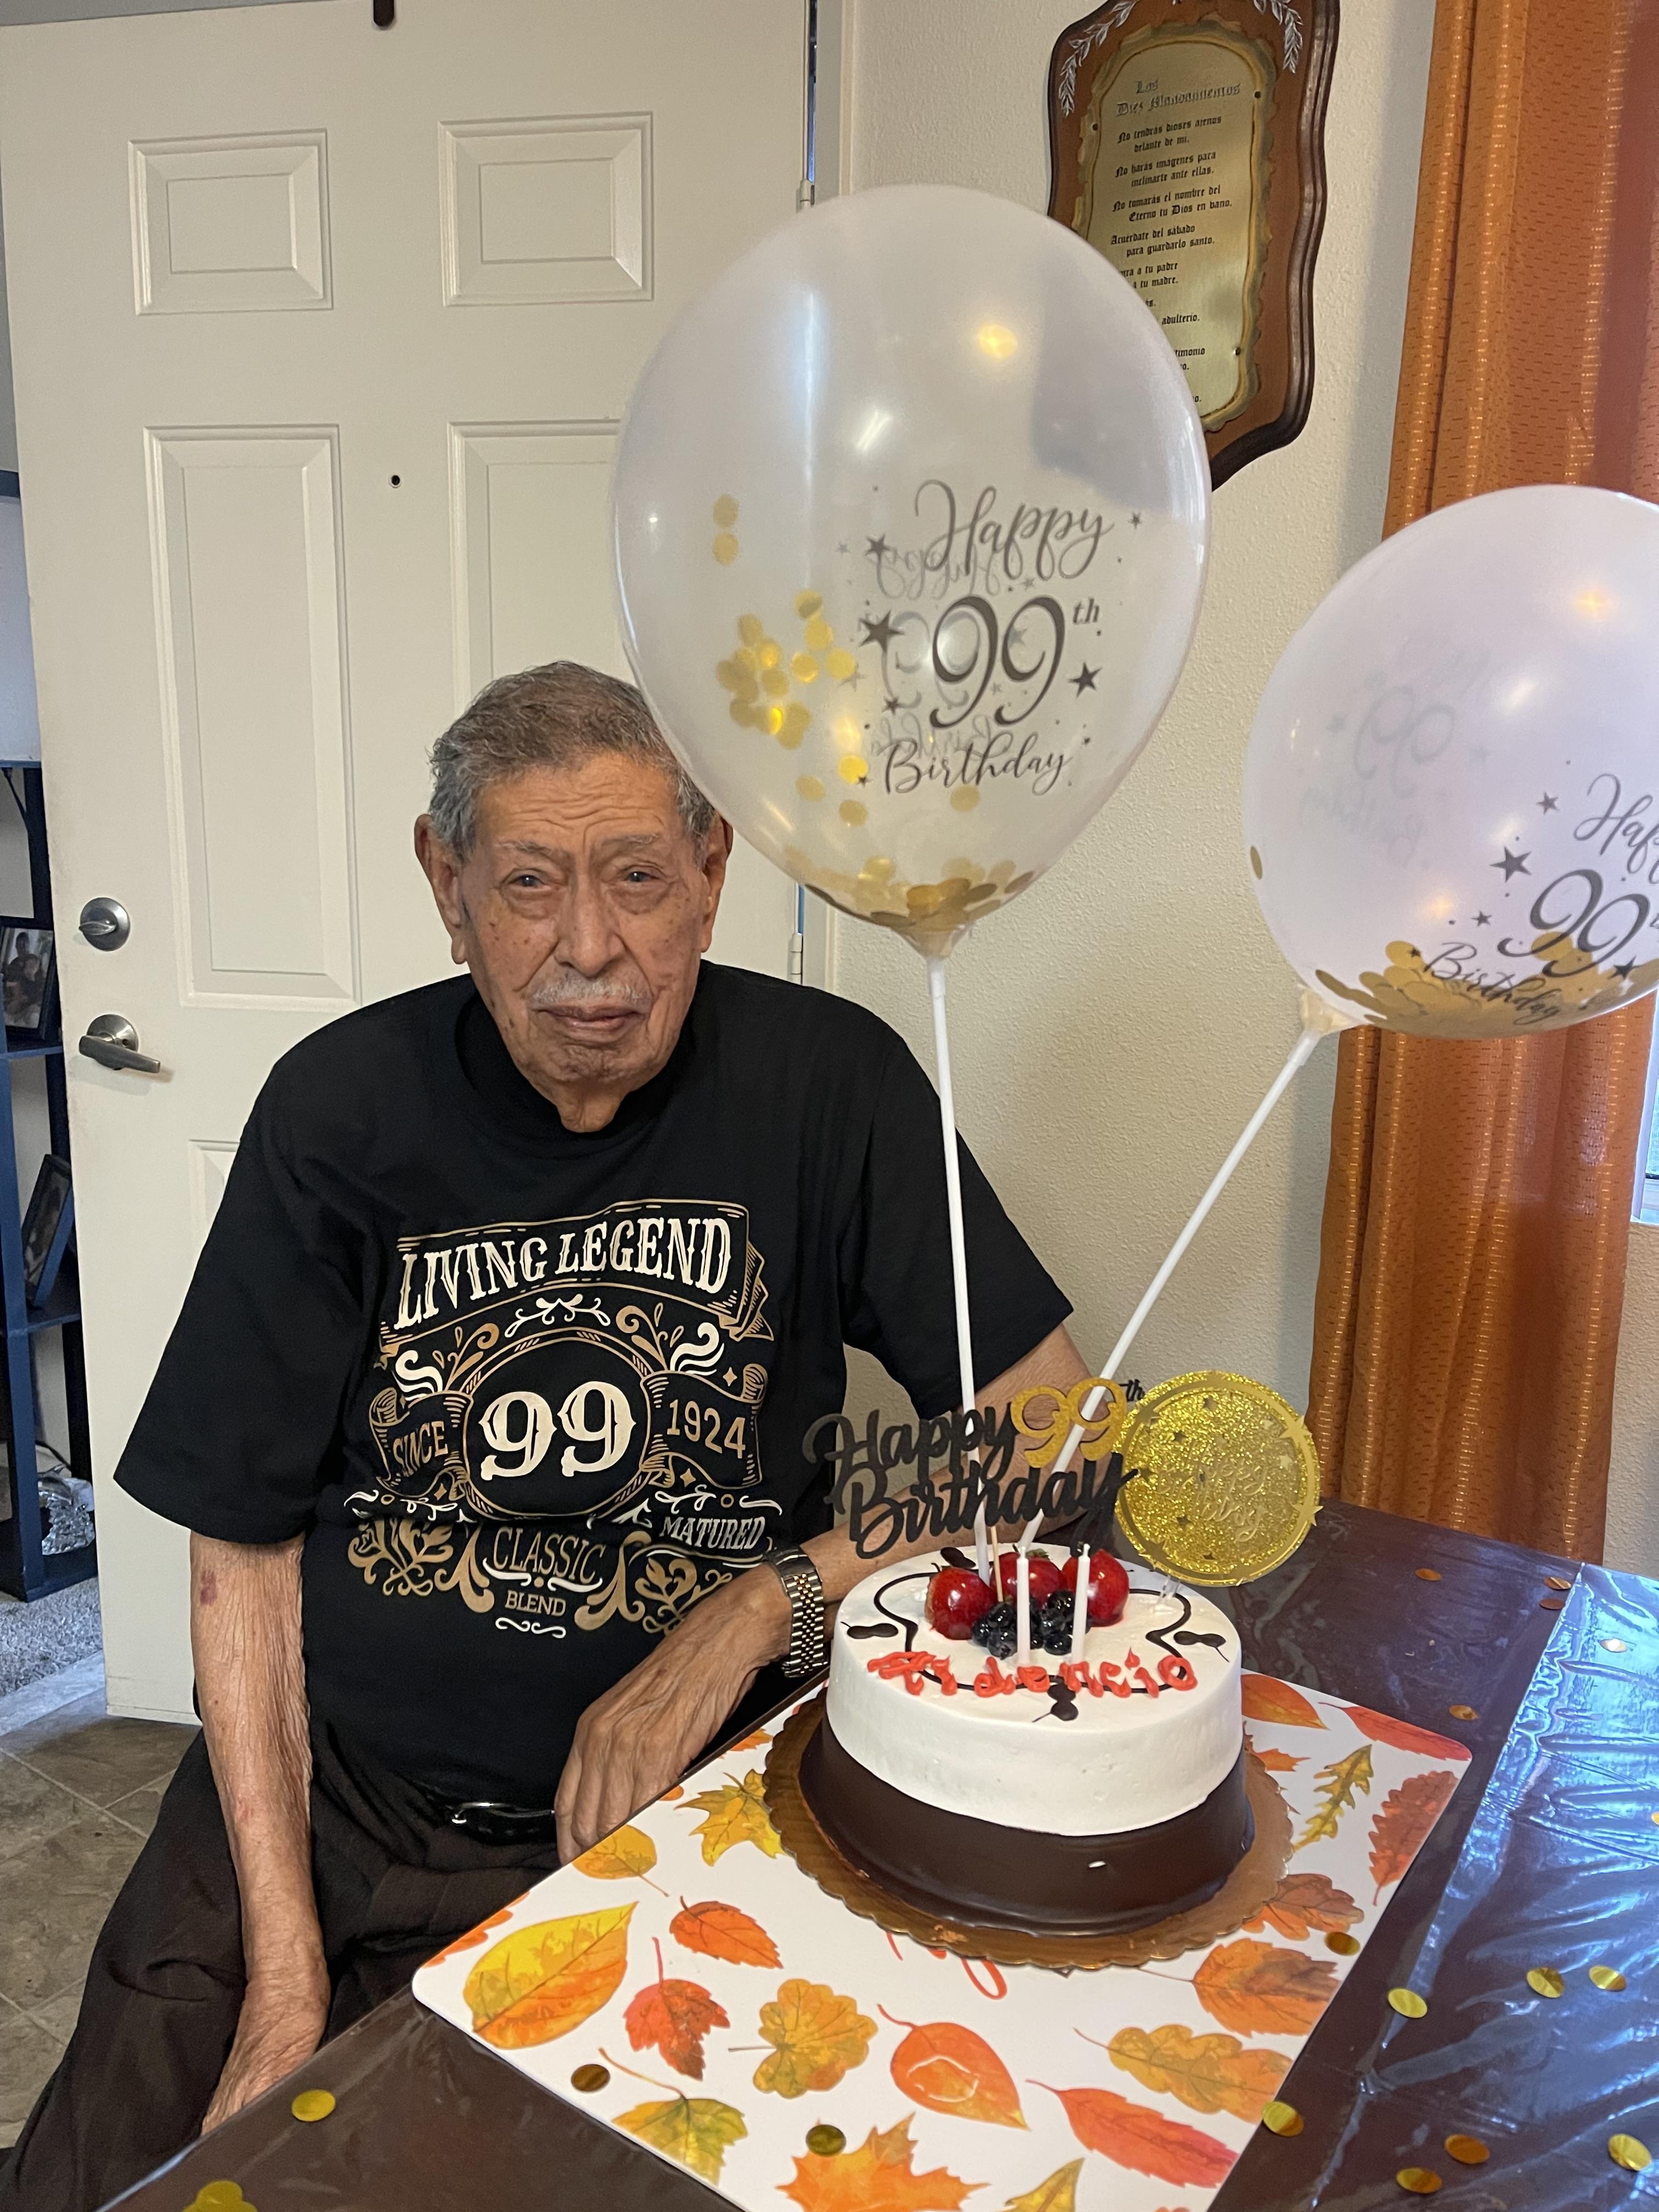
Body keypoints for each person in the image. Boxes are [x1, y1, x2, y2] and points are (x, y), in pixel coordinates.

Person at [0, 662, 1087, 2211]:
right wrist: (287, 1971)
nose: (589, 947)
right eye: (529, 884)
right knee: (127, 2171)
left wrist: (759, 1607)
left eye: (637, 877)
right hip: (336, 1800)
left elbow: (1052, 1422)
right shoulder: (335, 1111)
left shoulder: (831, 1085)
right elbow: (238, 1550)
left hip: (693, 1815)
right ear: (447, 888)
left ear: (710, 874)